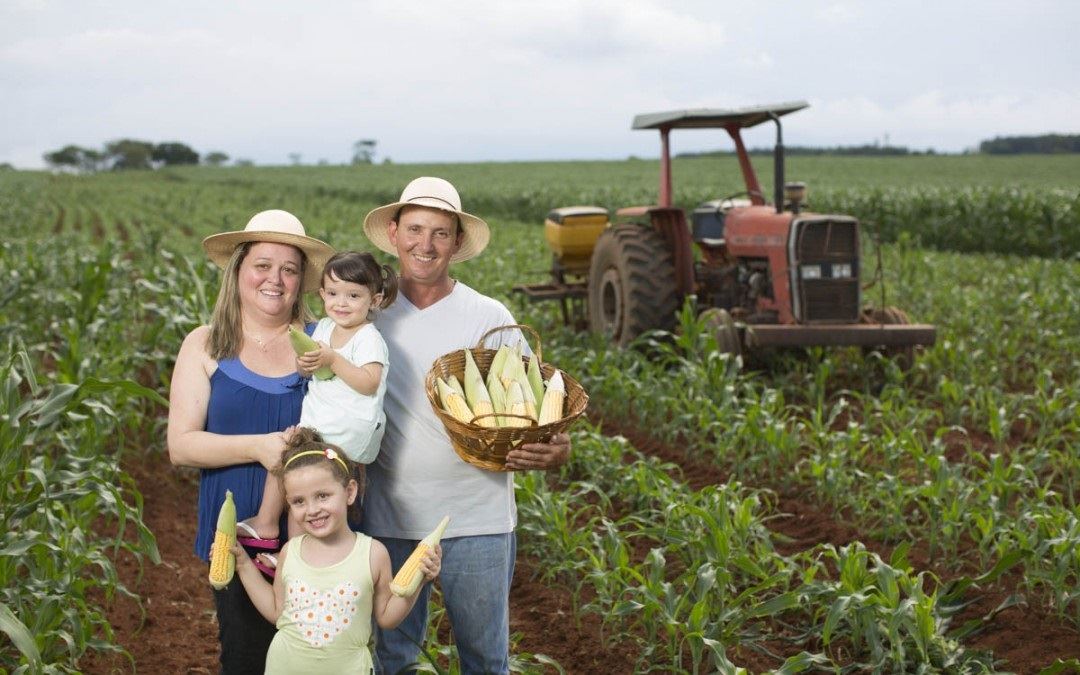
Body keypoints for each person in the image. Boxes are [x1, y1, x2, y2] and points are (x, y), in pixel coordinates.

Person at [360, 176, 572, 673]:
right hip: (390, 519)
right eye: (415, 229)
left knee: (484, 659)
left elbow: (539, 413)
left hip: (477, 519)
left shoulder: (488, 317)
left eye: (439, 232)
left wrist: (555, 450)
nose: (425, 245)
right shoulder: (367, 312)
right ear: (393, 233)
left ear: (456, 241)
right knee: (394, 659)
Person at [166, 209, 334, 674]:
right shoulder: (204, 344)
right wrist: (259, 448)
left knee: (320, 658)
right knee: (245, 659)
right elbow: (181, 446)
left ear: (301, 281)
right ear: (238, 269)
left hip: (319, 530)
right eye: (263, 265)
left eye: (289, 268)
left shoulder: (324, 343)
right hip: (236, 537)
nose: (274, 279)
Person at [232, 428, 441, 675]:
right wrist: (244, 565)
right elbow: (278, 612)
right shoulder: (291, 552)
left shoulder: (373, 554)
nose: (312, 510)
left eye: (322, 496)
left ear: (349, 492)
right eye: (299, 501)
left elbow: (386, 617)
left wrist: (419, 579)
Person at [238, 251, 399, 572]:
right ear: (322, 293)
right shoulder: (325, 328)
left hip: (344, 433)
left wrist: (333, 359)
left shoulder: (369, 338)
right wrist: (307, 363)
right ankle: (283, 546)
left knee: (311, 492)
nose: (342, 302)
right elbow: (314, 371)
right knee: (295, 476)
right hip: (321, 425)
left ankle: (285, 546)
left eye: (354, 295)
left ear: (375, 299)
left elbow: (368, 382)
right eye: (334, 293)